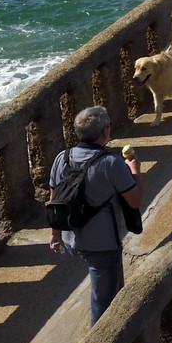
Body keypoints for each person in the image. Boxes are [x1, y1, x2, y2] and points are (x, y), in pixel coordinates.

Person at [48, 106, 143, 325]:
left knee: (108, 291)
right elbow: (135, 200)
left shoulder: (62, 158)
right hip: (102, 245)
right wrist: (135, 169)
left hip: (71, 238)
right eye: (108, 125)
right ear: (104, 133)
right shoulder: (111, 163)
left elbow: (54, 202)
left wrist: (55, 235)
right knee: (104, 303)